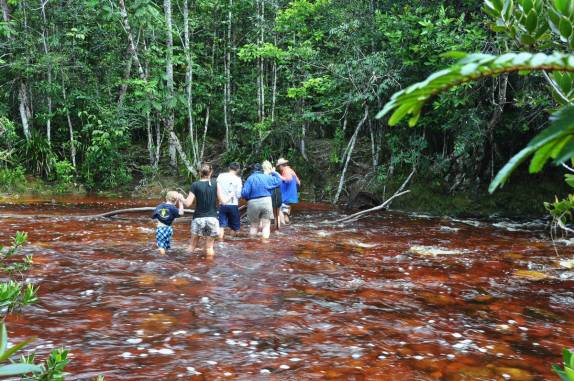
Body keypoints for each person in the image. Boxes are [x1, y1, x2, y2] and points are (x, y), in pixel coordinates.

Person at [182, 163, 228, 258]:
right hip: (212, 219)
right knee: (209, 248)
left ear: (199, 172)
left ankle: (187, 266)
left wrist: (180, 198)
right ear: (211, 172)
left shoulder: (195, 185)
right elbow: (223, 202)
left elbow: (188, 203)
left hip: (198, 219)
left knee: (192, 246)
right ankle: (209, 268)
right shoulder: (216, 184)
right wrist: (231, 196)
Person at [241, 163, 282, 239]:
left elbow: (244, 193)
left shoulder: (250, 178)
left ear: (253, 171)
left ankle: (253, 244)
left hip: (253, 202)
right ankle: (265, 244)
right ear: (262, 170)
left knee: (254, 226)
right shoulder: (266, 177)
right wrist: (273, 172)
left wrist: (247, 198)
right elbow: (279, 181)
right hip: (266, 201)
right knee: (266, 226)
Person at [152, 191, 184, 255]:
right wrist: (181, 203)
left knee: (161, 246)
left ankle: (163, 258)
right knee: (166, 244)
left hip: (160, 228)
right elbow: (181, 213)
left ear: (166, 198)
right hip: (169, 229)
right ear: (176, 201)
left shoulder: (159, 206)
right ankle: (167, 256)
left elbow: (153, 216)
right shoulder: (173, 208)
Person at [216, 162, 243, 240]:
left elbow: (217, 188)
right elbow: (238, 194)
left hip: (222, 204)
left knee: (221, 226)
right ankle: (232, 243)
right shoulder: (238, 179)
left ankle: (221, 242)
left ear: (229, 168)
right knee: (234, 227)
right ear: (238, 170)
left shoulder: (221, 176)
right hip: (233, 204)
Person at [276, 158, 301, 224]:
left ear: (281, 165)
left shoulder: (286, 170)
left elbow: (288, 179)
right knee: (286, 214)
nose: (279, 168)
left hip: (286, 196)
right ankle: (287, 228)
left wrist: (278, 176)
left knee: (282, 214)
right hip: (291, 196)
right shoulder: (291, 170)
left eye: (279, 166)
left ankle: (284, 229)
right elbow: (298, 183)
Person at [262, 160, 282, 230]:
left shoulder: (263, 177)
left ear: (263, 168)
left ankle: (264, 231)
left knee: (265, 216)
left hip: (268, 197)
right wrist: (274, 172)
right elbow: (281, 180)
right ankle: (277, 231)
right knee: (277, 215)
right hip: (278, 196)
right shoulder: (275, 175)